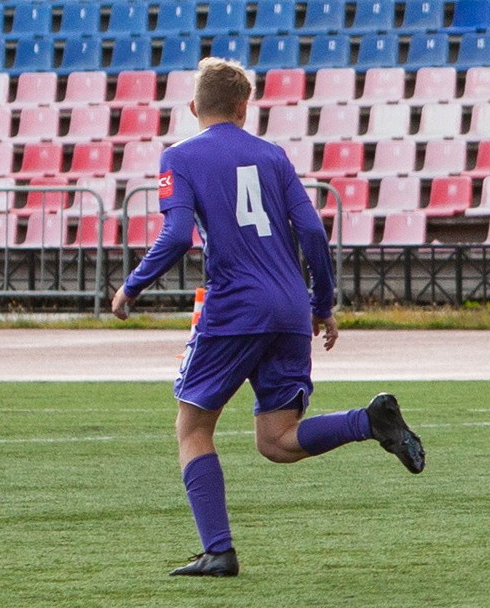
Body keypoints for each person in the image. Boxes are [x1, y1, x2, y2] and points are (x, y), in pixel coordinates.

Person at [110, 58, 425, 576]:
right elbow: (314, 234)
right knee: (277, 440)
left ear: (193, 107)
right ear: (243, 108)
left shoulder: (180, 157)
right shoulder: (274, 156)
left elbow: (177, 235)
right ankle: (368, 421)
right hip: (289, 307)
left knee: (192, 428)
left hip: (235, 306)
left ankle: (218, 550)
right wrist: (322, 305)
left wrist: (131, 286)